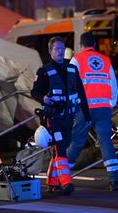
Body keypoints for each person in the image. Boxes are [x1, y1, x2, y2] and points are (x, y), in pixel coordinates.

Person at [31, 36, 90, 195]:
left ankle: (53, 182)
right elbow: (34, 92)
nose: (60, 52)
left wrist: (87, 114)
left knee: (59, 149)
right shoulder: (44, 71)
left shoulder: (72, 69)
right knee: (61, 148)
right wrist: (43, 98)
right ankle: (66, 183)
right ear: (50, 51)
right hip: (53, 117)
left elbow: (82, 93)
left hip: (69, 117)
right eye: (56, 49)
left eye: (62, 49)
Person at [67, 32, 118, 191]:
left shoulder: (76, 59)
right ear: (95, 44)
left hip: (84, 109)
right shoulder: (105, 60)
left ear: (80, 45)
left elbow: (72, 85)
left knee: (76, 142)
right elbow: (113, 86)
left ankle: (61, 176)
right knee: (106, 142)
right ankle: (114, 180)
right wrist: (109, 104)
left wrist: (73, 105)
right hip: (104, 108)